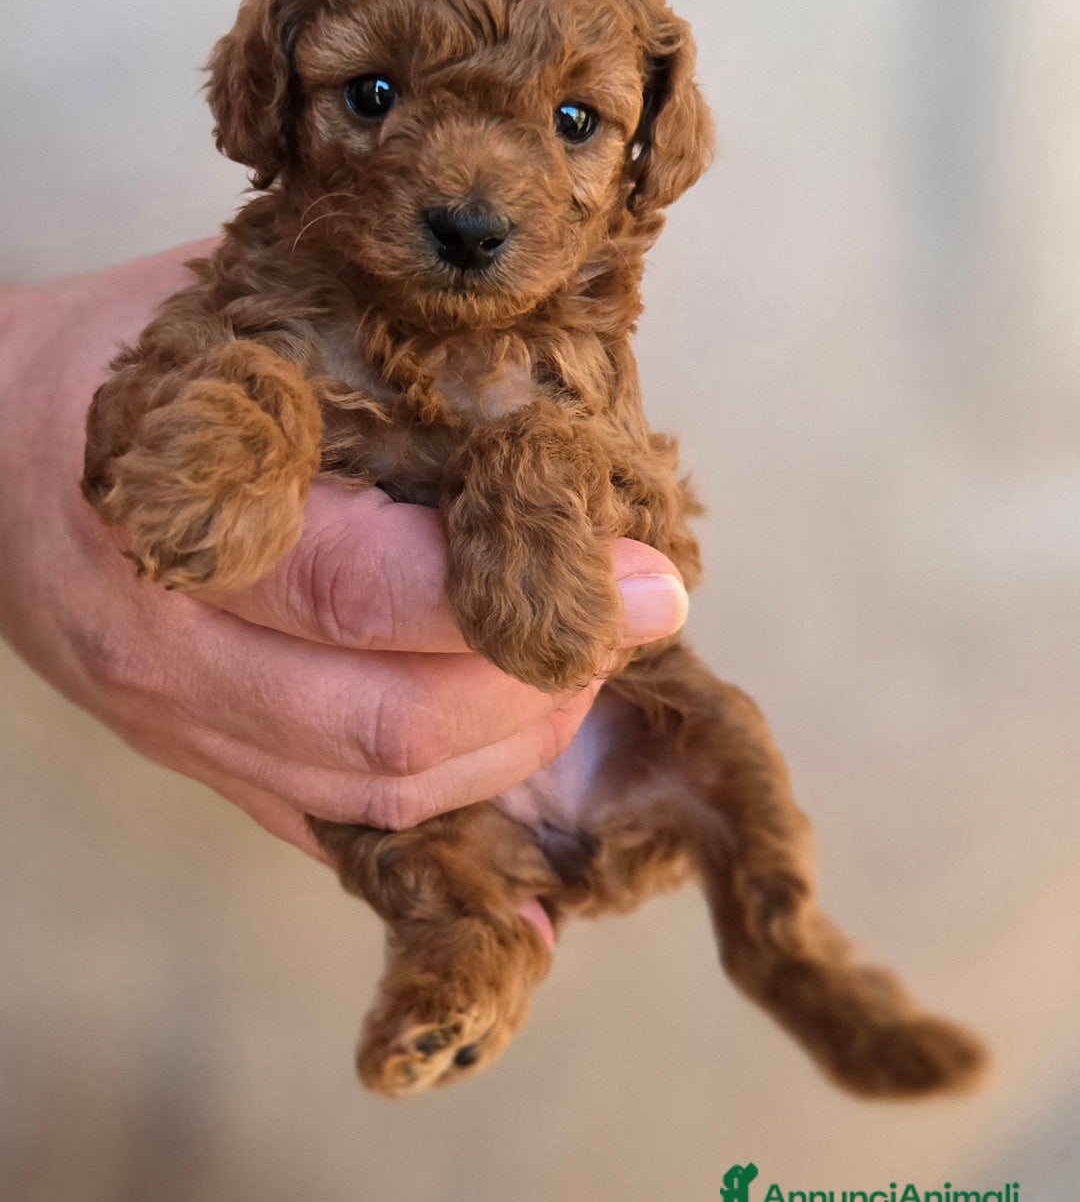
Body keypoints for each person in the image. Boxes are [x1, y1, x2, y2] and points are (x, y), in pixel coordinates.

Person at [0, 243, 689, 862]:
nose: (470, 209)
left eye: (570, 140)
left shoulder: (579, 335)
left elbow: (653, 516)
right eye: (376, 104)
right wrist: (19, 383)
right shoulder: (274, 311)